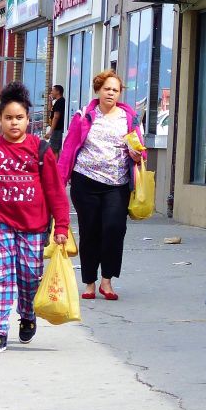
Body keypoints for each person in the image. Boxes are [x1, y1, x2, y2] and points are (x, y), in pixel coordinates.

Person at [0, 81, 70, 354]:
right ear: (0, 120)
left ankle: (27, 314)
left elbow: (55, 191)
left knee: (30, 276)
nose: (13, 123)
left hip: (34, 224)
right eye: (8, 118)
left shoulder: (41, 150)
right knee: (0, 274)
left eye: (19, 118)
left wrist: (62, 226)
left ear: (28, 119)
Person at [57, 70, 145, 301]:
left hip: (116, 184)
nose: (111, 93)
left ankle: (107, 281)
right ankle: (89, 283)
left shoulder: (129, 118)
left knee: (114, 229)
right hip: (85, 181)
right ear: (98, 89)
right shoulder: (84, 115)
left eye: (115, 90)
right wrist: (58, 183)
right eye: (107, 88)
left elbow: (139, 149)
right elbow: (69, 149)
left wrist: (137, 155)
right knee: (90, 231)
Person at [45, 85, 65, 152]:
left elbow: (56, 117)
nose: (51, 92)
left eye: (53, 90)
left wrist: (50, 131)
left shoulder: (60, 102)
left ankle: (54, 162)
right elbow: (49, 109)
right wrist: (50, 101)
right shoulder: (57, 102)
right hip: (55, 129)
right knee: (52, 149)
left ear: (58, 91)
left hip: (57, 129)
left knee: (53, 150)